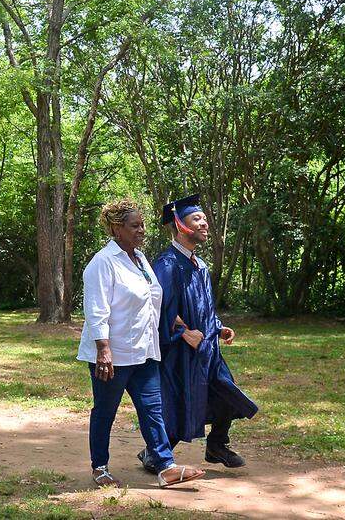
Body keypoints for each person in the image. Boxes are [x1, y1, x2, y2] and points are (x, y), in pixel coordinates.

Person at [77, 198, 205, 488]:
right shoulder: (103, 263)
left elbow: (152, 300)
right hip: (114, 353)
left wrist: (176, 324)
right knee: (105, 411)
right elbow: (96, 309)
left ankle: (165, 466)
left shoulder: (141, 259)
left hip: (145, 351)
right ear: (116, 228)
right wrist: (103, 350)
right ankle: (100, 467)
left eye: (143, 224)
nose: (142, 230)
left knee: (153, 409)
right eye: (135, 225)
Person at [139, 193, 258, 473]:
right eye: (197, 219)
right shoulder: (168, 264)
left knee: (227, 394)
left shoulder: (198, 264)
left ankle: (217, 445)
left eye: (205, 219)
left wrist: (218, 326)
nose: (204, 223)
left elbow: (203, 305)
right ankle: (155, 454)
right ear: (180, 225)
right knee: (182, 403)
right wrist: (182, 332)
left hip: (207, 349)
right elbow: (158, 305)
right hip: (181, 351)